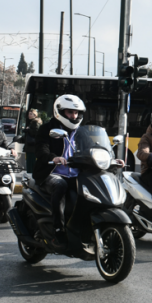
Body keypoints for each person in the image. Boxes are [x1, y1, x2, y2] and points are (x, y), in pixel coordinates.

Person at [35, 94, 87, 236]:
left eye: (76, 113)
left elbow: (93, 147)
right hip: (52, 173)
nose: (74, 116)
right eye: (70, 112)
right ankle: (58, 228)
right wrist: (54, 158)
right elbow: (41, 148)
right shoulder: (47, 129)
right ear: (60, 112)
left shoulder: (81, 132)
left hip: (75, 174)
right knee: (60, 185)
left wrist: (111, 158)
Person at [22, 108, 41, 173]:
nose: (29, 115)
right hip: (30, 147)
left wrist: (28, 130)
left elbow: (36, 132)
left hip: (32, 148)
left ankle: (31, 179)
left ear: (35, 115)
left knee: (30, 165)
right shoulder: (32, 122)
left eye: (31, 114)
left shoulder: (35, 122)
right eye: (29, 114)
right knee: (29, 164)